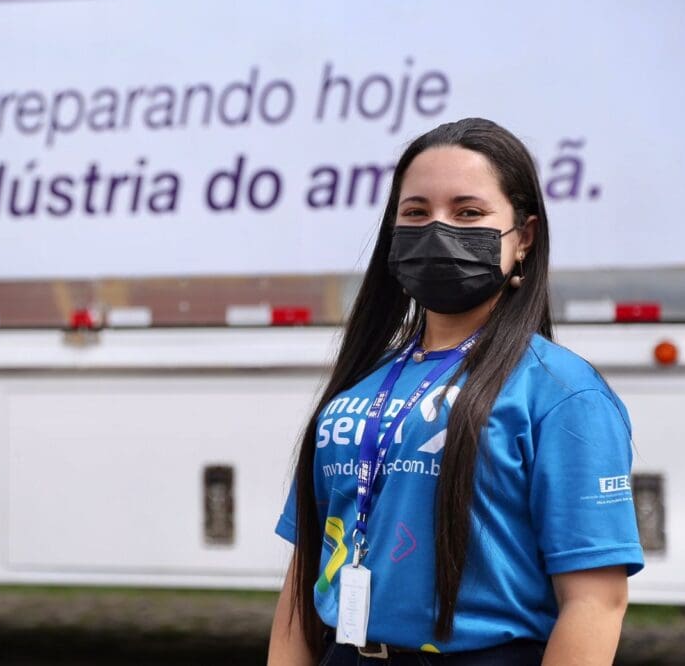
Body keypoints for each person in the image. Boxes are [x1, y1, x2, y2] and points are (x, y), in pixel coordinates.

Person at [267, 118, 643, 665]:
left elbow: (595, 602)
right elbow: (301, 582)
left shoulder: (563, 393)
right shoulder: (362, 381)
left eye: (468, 212)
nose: (437, 229)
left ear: (524, 238)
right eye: (416, 213)